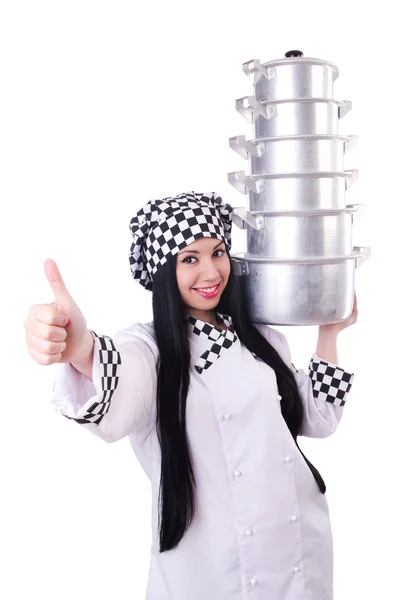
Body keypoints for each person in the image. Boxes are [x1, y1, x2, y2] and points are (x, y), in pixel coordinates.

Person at [24, 191, 358, 600]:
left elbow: (318, 419)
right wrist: (81, 350)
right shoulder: (151, 351)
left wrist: (330, 332)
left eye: (217, 252)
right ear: (165, 271)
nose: (211, 272)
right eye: (189, 259)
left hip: (300, 551)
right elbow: (117, 374)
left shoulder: (262, 336)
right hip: (212, 571)